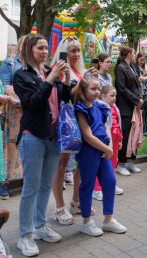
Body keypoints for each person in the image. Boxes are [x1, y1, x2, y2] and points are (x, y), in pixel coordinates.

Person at [13, 34, 71, 257]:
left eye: (47, 48)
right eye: (40, 48)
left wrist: (66, 79)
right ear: (29, 50)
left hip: (53, 135)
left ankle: (39, 226)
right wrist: (50, 79)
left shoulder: (48, 71)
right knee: (31, 187)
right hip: (33, 136)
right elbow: (33, 103)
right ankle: (24, 236)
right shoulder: (21, 75)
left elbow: (64, 99)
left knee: (46, 185)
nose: (45, 52)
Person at [74, 77, 127, 236]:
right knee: (87, 185)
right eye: (93, 89)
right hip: (88, 152)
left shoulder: (100, 107)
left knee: (110, 181)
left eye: (98, 88)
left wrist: (109, 145)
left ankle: (108, 220)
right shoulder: (80, 109)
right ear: (83, 91)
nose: (97, 92)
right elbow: (87, 135)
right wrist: (107, 149)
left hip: (103, 151)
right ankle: (86, 221)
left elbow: (106, 127)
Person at [50, 37, 92, 225]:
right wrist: (81, 84)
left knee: (80, 163)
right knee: (61, 164)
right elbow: (63, 97)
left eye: (78, 50)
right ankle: (59, 207)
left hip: (81, 122)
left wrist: (89, 81)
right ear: (64, 52)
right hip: (65, 124)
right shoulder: (57, 71)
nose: (76, 54)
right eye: (72, 50)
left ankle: (76, 201)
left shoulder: (79, 71)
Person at [0, 35, 26, 200]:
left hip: (30, 112)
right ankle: (5, 182)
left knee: (27, 145)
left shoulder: (36, 66)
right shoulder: (9, 63)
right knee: (9, 146)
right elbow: (6, 87)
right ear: (19, 46)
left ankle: (24, 181)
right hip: (14, 111)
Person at [114, 46, 143, 176]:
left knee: (134, 133)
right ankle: (121, 164)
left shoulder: (133, 67)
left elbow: (137, 85)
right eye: (133, 53)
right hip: (126, 107)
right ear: (129, 54)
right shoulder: (120, 68)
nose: (135, 55)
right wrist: (136, 100)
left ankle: (131, 161)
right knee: (126, 135)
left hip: (135, 106)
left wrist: (140, 98)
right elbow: (122, 88)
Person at [92, 86, 124, 201]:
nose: (114, 98)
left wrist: (120, 140)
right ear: (103, 96)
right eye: (111, 96)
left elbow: (119, 123)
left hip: (115, 138)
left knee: (113, 162)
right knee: (101, 163)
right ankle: (96, 189)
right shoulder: (100, 107)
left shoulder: (115, 107)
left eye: (115, 96)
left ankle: (110, 184)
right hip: (105, 139)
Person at [135, 52, 147, 136]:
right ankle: (140, 130)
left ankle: (144, 130)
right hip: (139, 93)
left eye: (144, 60)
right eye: (141, 60)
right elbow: (138, 79)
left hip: (144, 92)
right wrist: (145, 77)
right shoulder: (135, 67)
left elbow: (146, 80)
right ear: (137, 58)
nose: (142, 62)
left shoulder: (143, 68)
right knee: (140, 112)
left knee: (145, 113)